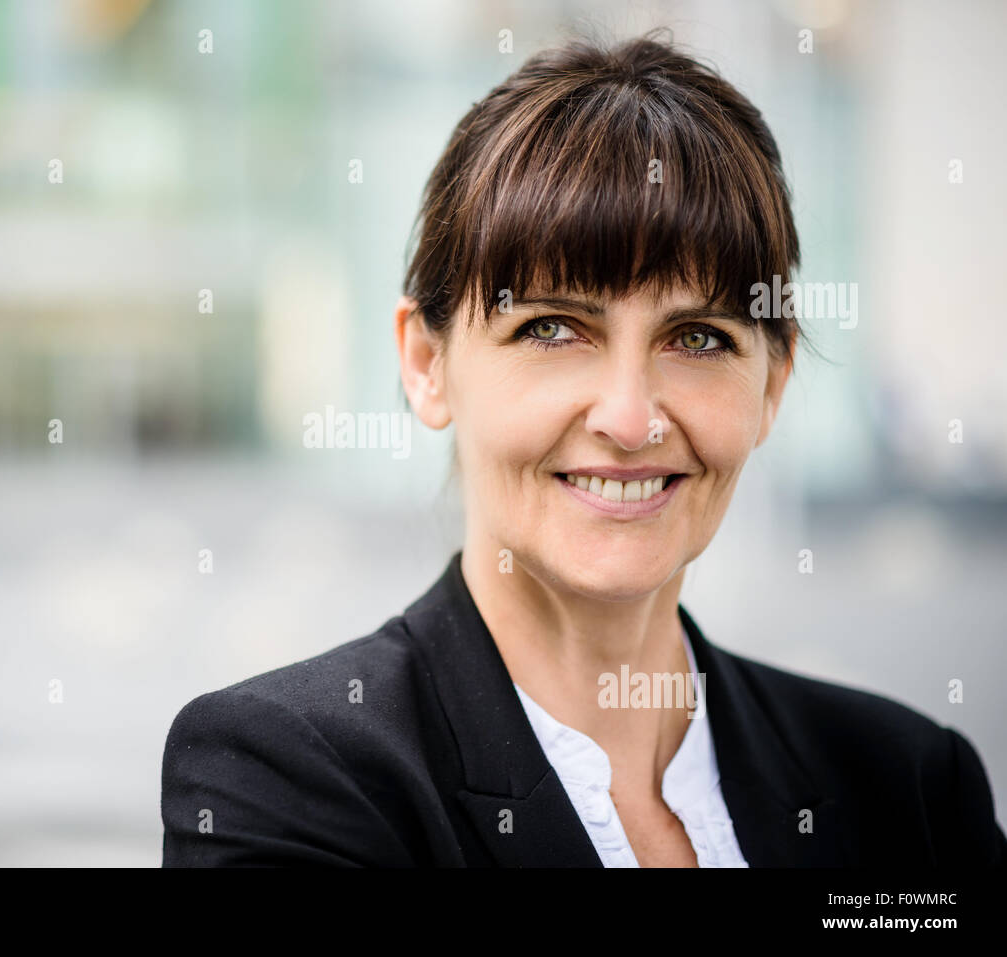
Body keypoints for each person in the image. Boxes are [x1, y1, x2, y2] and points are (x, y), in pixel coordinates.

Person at [160, 33, 1006, 867]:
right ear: (427, 364)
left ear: (773, 384)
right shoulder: (286, 780)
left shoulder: (909, 789)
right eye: (553, 327)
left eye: (700, 338)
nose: (631, 418)